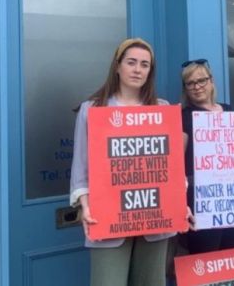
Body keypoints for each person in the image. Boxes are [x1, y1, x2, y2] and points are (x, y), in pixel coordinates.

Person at [70, 38, 177, 286]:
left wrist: (179, 201)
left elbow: (170, 166)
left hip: (155, 216)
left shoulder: (161, 108)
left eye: (144, 64)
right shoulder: (93, 109)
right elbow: (81, 166)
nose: (138, 69)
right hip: (107, 217)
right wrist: (84, 205)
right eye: (131, 63)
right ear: (117, 67)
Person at [180, 59, 234, 255]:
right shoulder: (183, 116)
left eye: (201, 80)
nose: (197, 87)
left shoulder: (230, 110)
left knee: (231, 257)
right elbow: (177, 163)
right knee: (205, 258)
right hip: (200, 200)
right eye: (190, 83)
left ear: (211, 81)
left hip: (233, 198)